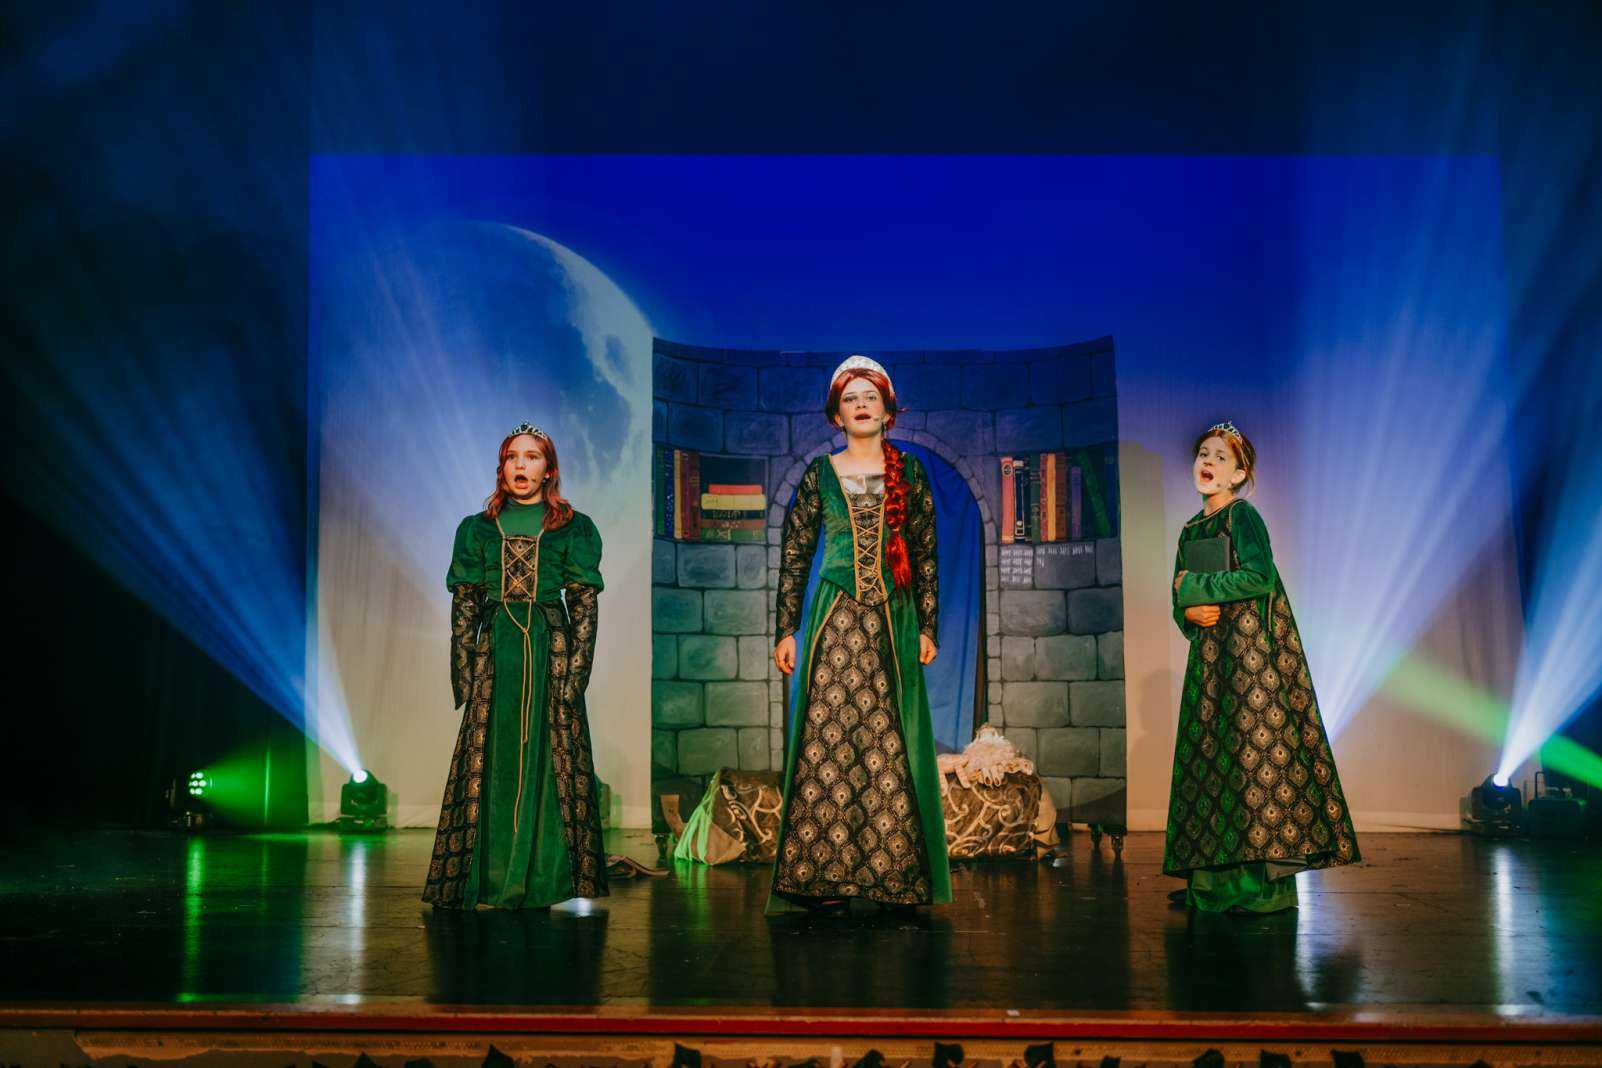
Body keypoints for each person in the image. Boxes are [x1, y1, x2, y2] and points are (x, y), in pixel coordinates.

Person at [767, 356, 951, 912]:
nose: (862, 404)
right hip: (835, 618)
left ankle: (892, 875)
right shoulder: (819, 474)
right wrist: (786, 628)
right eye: (851, 398)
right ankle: (821, 876)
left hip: (892, 619)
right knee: (829, 738)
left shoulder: (910, 472)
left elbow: (924, 552)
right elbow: (795, 554)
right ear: (836, 414)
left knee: (887, 740)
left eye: (871, 396)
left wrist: (928, 625)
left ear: (888, 410)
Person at [1166, 421, 1359, 913]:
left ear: (1238, 474)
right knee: (1211, 764)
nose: (1208, 462)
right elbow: (1178, 593)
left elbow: (1259, 576)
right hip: (1210, 661)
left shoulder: (1242, 516)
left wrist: (1195, 589)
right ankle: (1211, 884)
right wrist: (1188, 613)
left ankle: (1260, 888)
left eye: (1220, 457)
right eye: (1203, 453)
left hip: (1247, 659)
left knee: (1253, 767)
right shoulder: (1190, 530)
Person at [423, 423, 608, 909]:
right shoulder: (478, 528)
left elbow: (584, 605)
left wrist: (575, 673)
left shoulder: (572, 527)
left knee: (549, 754)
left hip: (548, 648)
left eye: (532, 456)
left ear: (549, 469)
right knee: (493, 756)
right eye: (512, 457)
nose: (521, 465)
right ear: (502, 467)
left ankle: (545, 876)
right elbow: (465, 605)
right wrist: (464, 667)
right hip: (497, 650)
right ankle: (488, 875)